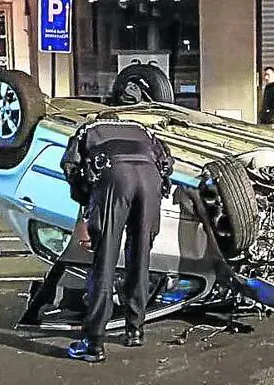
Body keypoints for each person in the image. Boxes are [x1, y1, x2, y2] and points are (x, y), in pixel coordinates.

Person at [60, 112, 174, 363]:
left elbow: (70, 166)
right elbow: (167, 161)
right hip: (149, 178)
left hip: (115, 176)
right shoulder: (141, 128)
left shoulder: (89, 129)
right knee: (140, 256)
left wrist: (87, 202)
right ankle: (135, 330)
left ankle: (94, 343)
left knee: (105, 260)